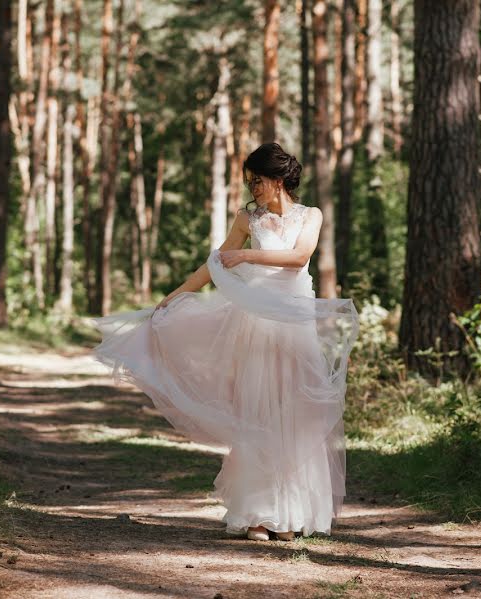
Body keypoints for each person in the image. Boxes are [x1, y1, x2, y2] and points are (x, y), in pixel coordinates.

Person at [91, 142, 358, 542]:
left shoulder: (310, 216)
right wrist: (176, 295)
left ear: (280, 179)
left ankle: (291, 514)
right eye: (250, 181)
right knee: (259, 411)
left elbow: (299, 257)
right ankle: (258, 514)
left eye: (259, 180)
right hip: (255, 325)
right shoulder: (247, 218)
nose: (253, 188)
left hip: (295, 324)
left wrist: (247, 258)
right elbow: (215, 262)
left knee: (295, 413)